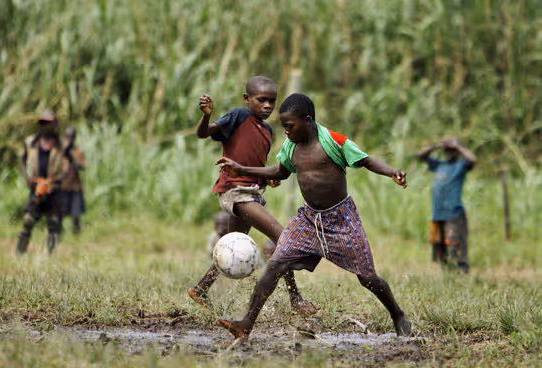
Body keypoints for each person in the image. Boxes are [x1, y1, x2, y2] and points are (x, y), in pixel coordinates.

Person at [216, 93, 412, 338]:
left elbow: (366, 161)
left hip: (341, 219)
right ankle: (245, 324)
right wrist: (242, 169)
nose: (286, 132)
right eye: (283, 127)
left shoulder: (333, 141)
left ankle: (397, 313)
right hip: (308, 219)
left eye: (290, 126)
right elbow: (280, 170)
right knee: (275, 264)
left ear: (307, 120)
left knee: (367, 277)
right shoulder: (291, 146)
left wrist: (392, 171)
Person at [188, 77, 318, 316]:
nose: (267, 106)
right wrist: (206, 116)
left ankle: (201, 288)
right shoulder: (238, 117)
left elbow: (254, 163)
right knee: (283, 237)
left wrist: (268, 179)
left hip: (252, 193)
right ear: (247, 99)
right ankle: (296, 299)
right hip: (235, 193)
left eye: (272, 101)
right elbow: (203, 133)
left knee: (233, 242)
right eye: (261, 100)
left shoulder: (268, 130)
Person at [417, 138, 477, 273]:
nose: (449, 153)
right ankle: (447, 275)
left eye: (452, 151)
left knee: (456, 246)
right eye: (447, 150)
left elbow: (472, 160)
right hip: (438, 214)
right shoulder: (439, 165)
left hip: (454, 214)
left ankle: (462, 274)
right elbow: (421, 156)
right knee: (439, 247)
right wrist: (437, 146)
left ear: (457, 152)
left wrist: (458, 146)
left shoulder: (460, 165)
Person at [16, 112, 70, 254]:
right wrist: (27, 178)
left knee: (53, 224)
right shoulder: (30, 143)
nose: (46, 126)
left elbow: (69, 165)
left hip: (54, 190)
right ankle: (18, 256)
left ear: (55, 125)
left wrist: (58, 179)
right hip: (37, 189)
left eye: (49, 123)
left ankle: (51, 259)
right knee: (28, 221)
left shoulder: (62, 144)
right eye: (43, 123)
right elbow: (21, 160)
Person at [61, 126, 86, 234]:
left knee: (75, 215)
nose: (68, 139)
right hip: (62, 187)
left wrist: (70, 157)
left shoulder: (78, 152)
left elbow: (80, 166)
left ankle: (77, 236)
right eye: (67, 136)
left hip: (75, 188)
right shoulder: (59, 152)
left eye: (70, 137)